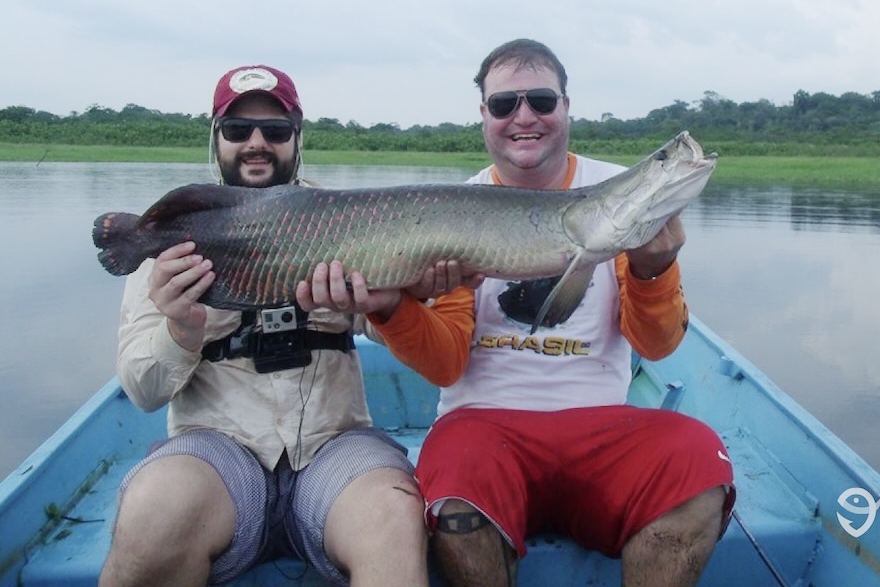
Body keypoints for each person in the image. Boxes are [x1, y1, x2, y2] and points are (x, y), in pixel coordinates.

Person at [363, 39, 736, 587]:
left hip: (603, 429)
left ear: (565, 107)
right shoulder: (451, 210)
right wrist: (394, 307)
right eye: (503, 105)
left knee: (699, 461)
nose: (524, 117)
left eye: (541, 100)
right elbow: (445, 366)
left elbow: (656, 346)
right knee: (458, 489)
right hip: (483, 427)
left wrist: (653, 271)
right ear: (484, 117)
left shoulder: (615, 197)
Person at [99, 65, 431, 587]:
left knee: (394, 520)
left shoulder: (348, 219)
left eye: (275, 131)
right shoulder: (170, 233)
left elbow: (397, 333)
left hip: (334, 446)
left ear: (298, 137)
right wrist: (180, 332)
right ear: (217, 138)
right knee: (150, 516)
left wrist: (394, 300)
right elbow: (141, 391)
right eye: (238, 131)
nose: (257, 143)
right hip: (215, 450)